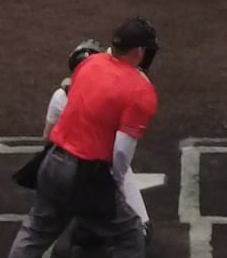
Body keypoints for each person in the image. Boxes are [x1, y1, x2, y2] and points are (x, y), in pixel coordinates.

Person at [0, 19, 167, 258]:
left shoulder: (90, 64)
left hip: (51, 161)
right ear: (140, 52)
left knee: (34, 233)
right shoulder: (141, 91)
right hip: (87, 174)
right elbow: (121, 152)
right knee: (129, 235)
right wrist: (112, 186)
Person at [42, 39, 152, 244]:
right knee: (122, 171)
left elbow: (47, 137)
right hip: (97, 168)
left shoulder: (60, 96)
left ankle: (78, 225)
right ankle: (140, 224)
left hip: (63, 166)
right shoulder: (111, 95)